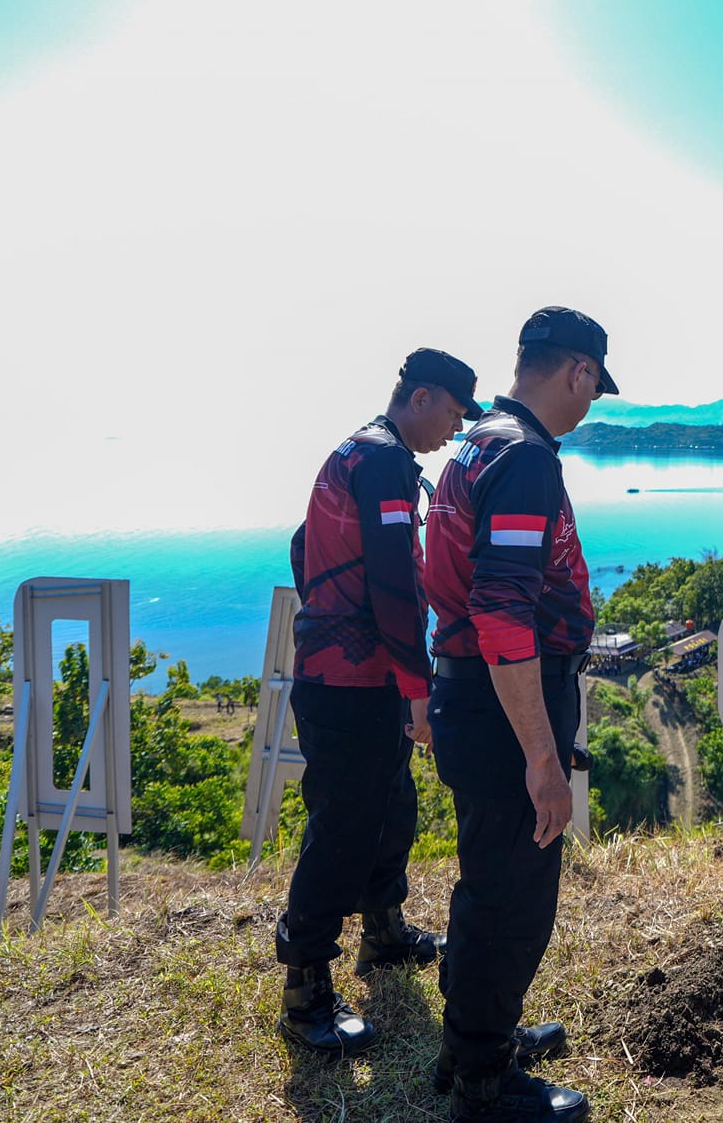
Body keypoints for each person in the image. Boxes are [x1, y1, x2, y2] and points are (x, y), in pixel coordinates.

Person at [423, 307, 618, 1123]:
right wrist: (543, 755)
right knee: (517, 891)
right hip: (507, 699)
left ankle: (473, 1038)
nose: (590, 405)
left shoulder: (477, 442)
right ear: (576, 371)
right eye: (593, 389)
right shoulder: (527, 457)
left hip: (469, 689)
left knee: (488, 880)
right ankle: (484, 1082)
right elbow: (505, 614)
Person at [275, 348, 483, 1054]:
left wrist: (326, 618)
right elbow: (396, 587)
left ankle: (384, 932)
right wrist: (418, 689)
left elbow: (303, 547)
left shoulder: (361, 452)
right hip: (353, 683)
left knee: (390, 806)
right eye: (453, 414)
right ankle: (305, 989)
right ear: (420, 397)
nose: (453, 430)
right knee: (342, 829)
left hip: (352, 674)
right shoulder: (386, 461)